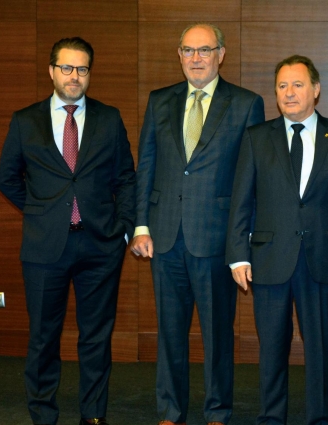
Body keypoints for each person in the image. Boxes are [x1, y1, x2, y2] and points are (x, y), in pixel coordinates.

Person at [0, 37, 136, 425]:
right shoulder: (26, 121)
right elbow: (7, 178)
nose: (75, 76)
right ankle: (43, 414)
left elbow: (126, 178)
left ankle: (93, 415)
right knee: (43, 337)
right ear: (51, 71)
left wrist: (124, 229)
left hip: (100, 246)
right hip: (45, 249)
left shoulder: (109, 118)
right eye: (67, 68)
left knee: (96, 338)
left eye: (82, 69)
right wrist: (42, 213)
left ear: (90, 73)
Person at [131, 22, 264, 425]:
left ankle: (217, 412)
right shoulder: (160, 101)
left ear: (221, 54)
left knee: (217, 335)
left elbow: (251, 176)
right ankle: (170, 411)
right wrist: (140, 226)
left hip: (216, 237)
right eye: (188, 50)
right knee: (169, 334)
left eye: (204, 50)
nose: (196, 58)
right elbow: (147, 165)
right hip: (165, 237)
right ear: (179, 54)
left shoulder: (245, 103)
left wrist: (243, 241)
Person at [226, 54, 328, 425]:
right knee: (271, 349)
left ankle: (321, 419)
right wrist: (238, 255)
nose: (289, 93)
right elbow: (241, 200)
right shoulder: (257, 138)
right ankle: (271, 418)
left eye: (298, 85)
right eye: (282, 86)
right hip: (269, 260)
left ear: (316, 90)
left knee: (321, 350)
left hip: (324, 260)